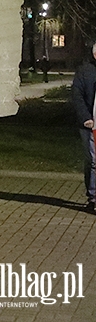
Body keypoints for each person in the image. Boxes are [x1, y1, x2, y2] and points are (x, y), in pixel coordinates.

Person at [71, 40, 96, 213]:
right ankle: (93, 196)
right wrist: (86, 118)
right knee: (93, 161)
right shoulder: (85, 71)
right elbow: (77, 95)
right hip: (90, 124)